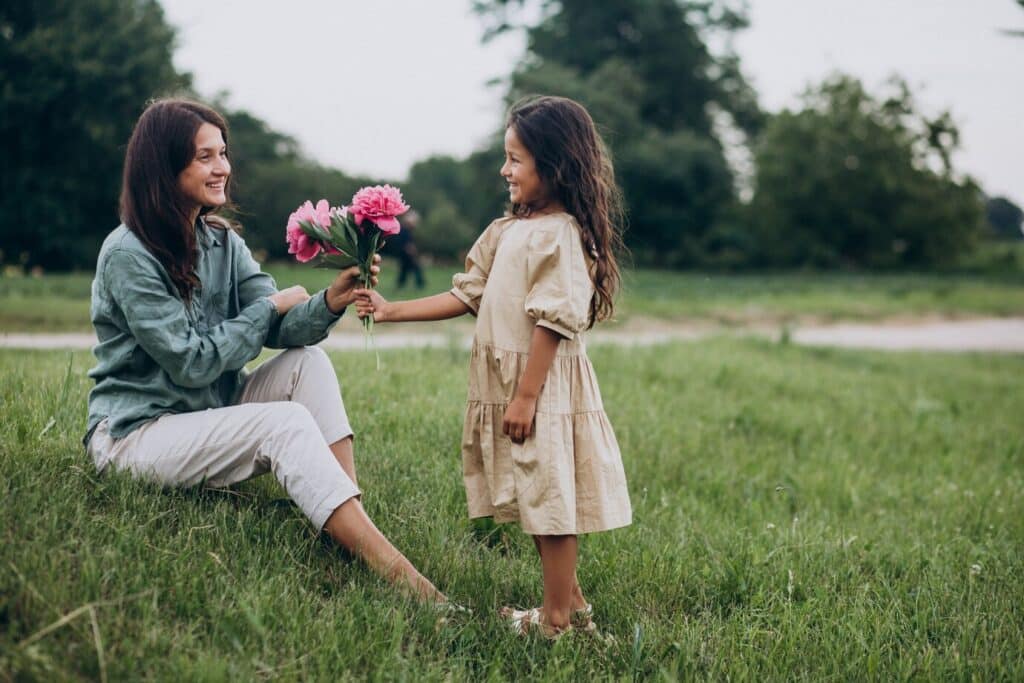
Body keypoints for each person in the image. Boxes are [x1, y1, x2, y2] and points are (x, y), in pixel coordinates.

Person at [85, 98, 447, 605]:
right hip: (137, 434)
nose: (223, 168)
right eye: (205, 157)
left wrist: (329, 301)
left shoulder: (220, 242)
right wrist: (268, 309)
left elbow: (280, 328)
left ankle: (346, 528)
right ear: (165, 168)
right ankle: (407, 581)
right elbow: (191, 363)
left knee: (309, 363)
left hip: (205, 412)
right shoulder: (128, 254)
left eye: (223, 153)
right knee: (283, 422)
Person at [355, 95, 632, 637]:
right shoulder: (508, 230)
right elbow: (469, 293)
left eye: (515, 159)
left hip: (541, 386)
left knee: (550, 499)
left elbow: (553, 322)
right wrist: (392, 312)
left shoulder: (560, 235)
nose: (505, 169)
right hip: (515, 385)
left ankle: (556, 624)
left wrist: (526, 396)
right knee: (534, 493)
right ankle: (570, 605)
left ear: (553, 165)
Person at [390, 209, 425, 289]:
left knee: (404, 270)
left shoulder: (404, 230)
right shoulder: (405, 231)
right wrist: (412, 252)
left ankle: (400, 285)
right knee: (416, 269)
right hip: (406, 255)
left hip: (404, 254)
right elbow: (407, 244)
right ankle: (420, 284)